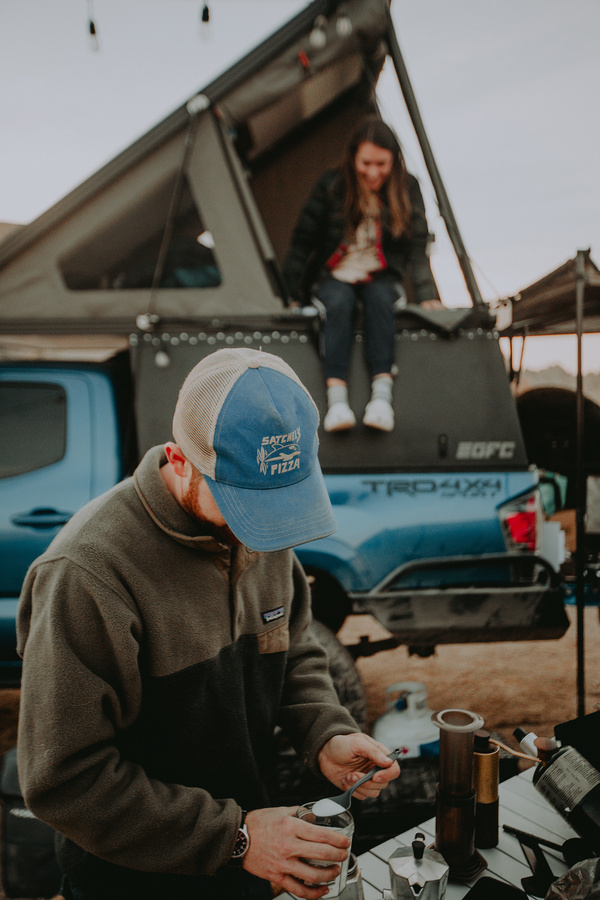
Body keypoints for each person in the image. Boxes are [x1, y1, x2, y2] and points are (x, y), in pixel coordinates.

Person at [16, 347, 400, 900]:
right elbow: (65, 780)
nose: (264, 529)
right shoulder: (87, 574)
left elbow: (292, 646)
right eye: (245, 504)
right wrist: (235, 836)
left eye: (280, 502)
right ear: (179, 460)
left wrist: (325, 731)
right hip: (134, 885)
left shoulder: (264, 528)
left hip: (246, 867)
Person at [284, 116, 442, 433]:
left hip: (381, 276)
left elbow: (417, 245)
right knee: (338, 304)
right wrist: (290, 295)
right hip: (336, 275)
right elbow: (302, 241)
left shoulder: (407, 187)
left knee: (381, 301)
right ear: (353, 158)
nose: (373, 172)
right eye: (366, 163)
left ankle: (381, 400)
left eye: (381, 164)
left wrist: (428, 294)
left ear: (394, 160)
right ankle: (337, 403)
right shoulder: (332, 185)